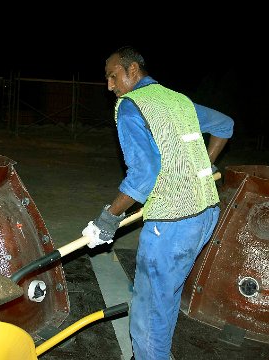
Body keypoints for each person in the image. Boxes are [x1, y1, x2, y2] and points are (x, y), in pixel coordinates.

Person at [81, 46, 234, 360]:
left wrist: (107, 218)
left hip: (173, 223)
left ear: (133, 71)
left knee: (149, 312)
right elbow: (224, 125)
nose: (109, 86)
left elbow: (144, 176)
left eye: (113, 76)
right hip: (205, 214)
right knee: (165, 296)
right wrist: (204, 164)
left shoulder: (131, 106)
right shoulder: (177, 100)